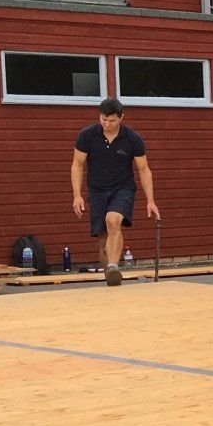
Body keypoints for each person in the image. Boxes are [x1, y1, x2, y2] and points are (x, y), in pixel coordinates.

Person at [71, 98, 159, 286]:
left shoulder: (132, 139)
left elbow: (144, 170)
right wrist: (77, 195)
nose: (106, 124)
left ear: (121, 118)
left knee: (113, 220)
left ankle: (113, 265)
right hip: (97, 191)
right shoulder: (87, 136)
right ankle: (110, 275)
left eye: (111, 120)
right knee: (103, 240)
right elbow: (77, 164)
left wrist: (150, 200)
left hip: (122, 188)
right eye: (103, 119)